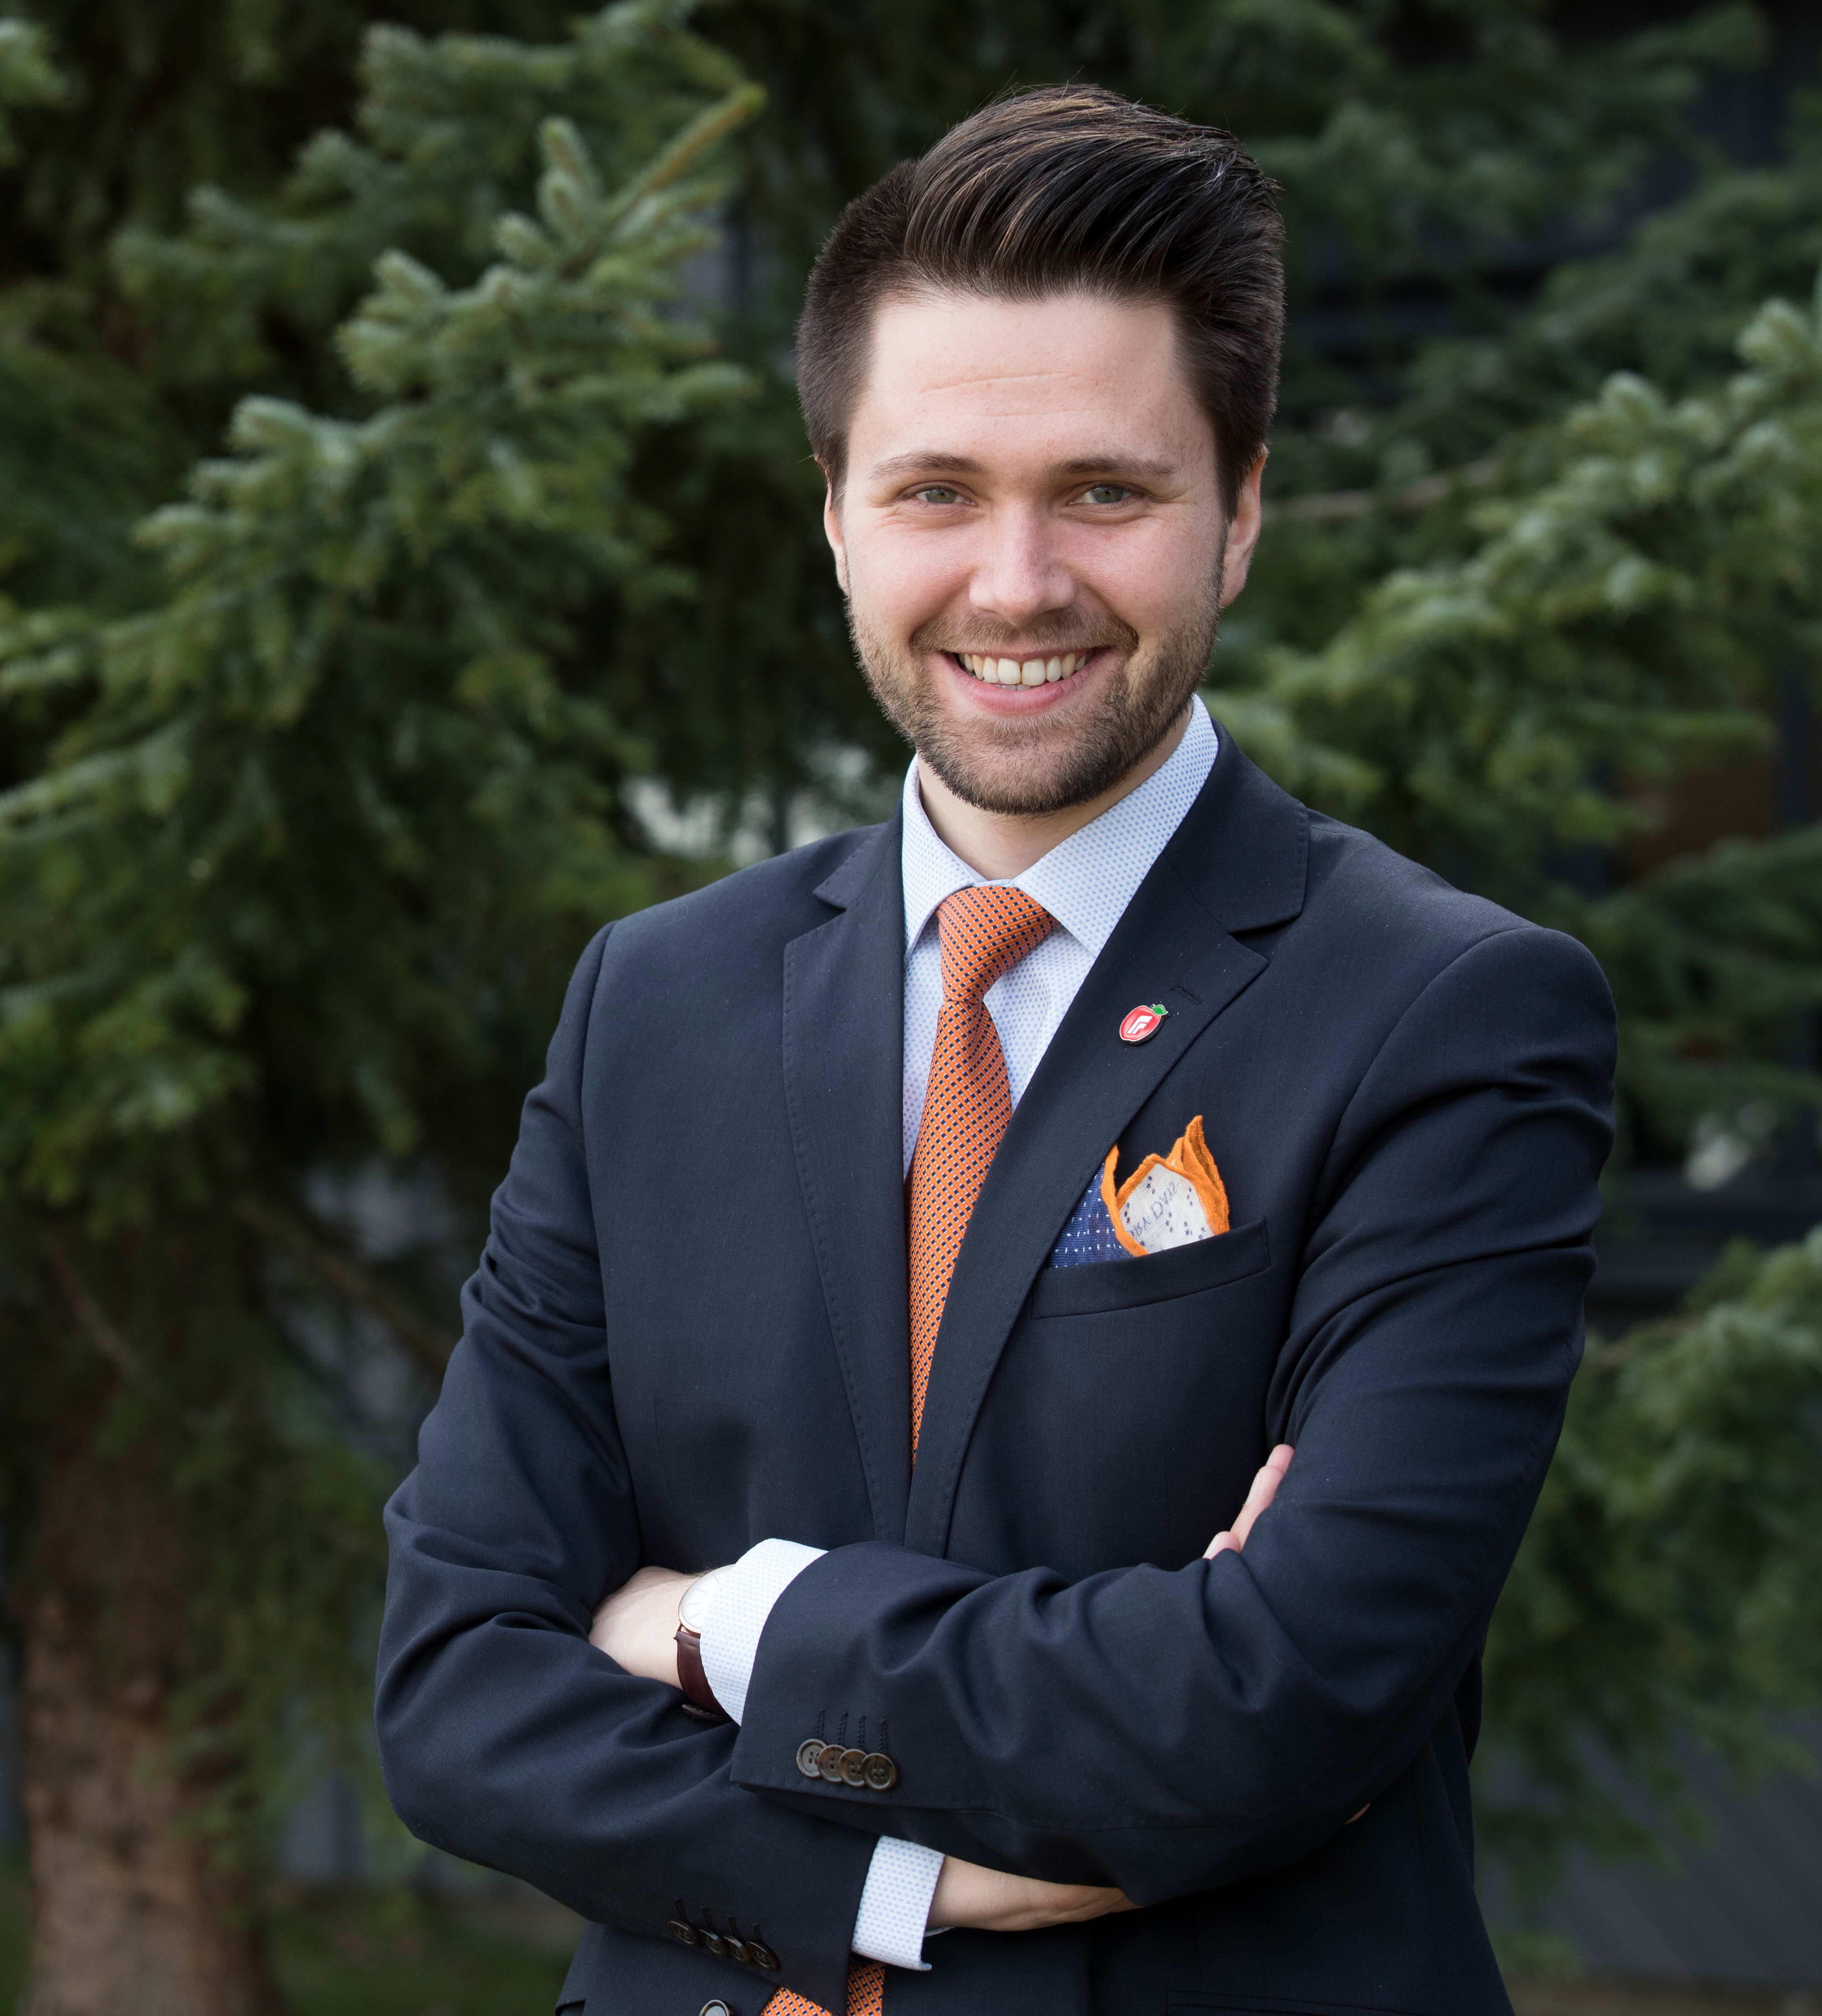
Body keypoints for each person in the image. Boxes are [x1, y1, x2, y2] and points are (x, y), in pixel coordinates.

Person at [373, 83, 1616, 2016]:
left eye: (1105, 493)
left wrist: (724, 1621)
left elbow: (1284, 1694)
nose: (1017, 583)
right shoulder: (656, 1004)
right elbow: (457, 1683)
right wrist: (895, 1886)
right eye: (936, 491)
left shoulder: (1444, 1016)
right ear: (836, 518)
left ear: (1241, 511)